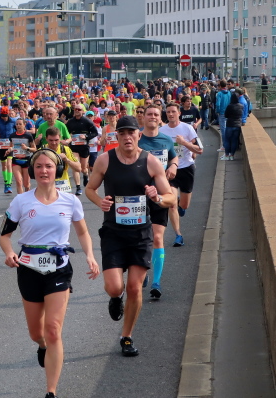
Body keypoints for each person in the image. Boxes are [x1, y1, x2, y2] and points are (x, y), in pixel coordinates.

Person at [0, 149, 100, 398]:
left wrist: (89, 255)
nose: (44, 170)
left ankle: (51, 391)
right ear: (33, 171)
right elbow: (5, 236)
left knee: (53, 329)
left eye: (49, 166)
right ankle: (41, 345)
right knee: (37, 333)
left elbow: (83, 232)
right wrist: (10, 253)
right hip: (29, 269)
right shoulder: (21, 201)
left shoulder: (70, 201)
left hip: (59, 268)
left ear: (57, 170)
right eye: (39, 166)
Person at [85, 115, 175, 356]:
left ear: (139, 135)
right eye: (122, 133)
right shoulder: (105, 160)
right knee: (115, 287)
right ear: (117, 136)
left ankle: (126, 336)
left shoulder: (151, 162)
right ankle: (116, 298)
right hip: (113, 232)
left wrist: (157, 197)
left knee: (135, 288)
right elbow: (90, 189)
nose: (126, 137)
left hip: (140, 233)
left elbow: (170, 198)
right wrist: (100, 202)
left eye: (131, 132)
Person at [138, 105, 179, 299]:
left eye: (156, 114)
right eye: (149, 114)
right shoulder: (137, 139)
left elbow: (173, 156)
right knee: (140, 239)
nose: (153, 117)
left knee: (157, 238)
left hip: (159, 195)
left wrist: (174, 165)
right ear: (143, 117)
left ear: (159, 117)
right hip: (138, 196)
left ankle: (156, 282)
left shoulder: (166, 140)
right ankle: (143, 269)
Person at [160, 103, 203, 246]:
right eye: (168, 112)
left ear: (179, 113)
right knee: (171, 204)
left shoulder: (188, 128)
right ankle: (178, 235)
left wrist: (184, 142)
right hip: (170, 170)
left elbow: (200, 150)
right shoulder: (162, 131)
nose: (171, 114)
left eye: (173, 111)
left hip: (186, 168)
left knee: (184, 205)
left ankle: (181, 205)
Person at [65, 104, 98, 195]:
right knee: (76, 167)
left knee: (83, 169)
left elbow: (95, 133)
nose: (77, 110)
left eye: (79, 109)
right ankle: (78, 187)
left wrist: (86, 136)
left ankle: (85, 175)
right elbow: (66, 132)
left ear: (82, 111)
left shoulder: (87, 121)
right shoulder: (70, 122)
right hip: (74, 147)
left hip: (84, 147)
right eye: (75, 109)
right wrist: (68, 137)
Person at [45, 128, 80, 194]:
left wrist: (66, 160)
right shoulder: (42, 151)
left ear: (60, 138)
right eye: (51, 140)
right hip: (47, 185)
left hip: (63, 185)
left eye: (56, 140)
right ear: (46, 139)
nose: (54, 143)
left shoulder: (65, 149)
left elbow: (78, 168)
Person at [9, 118, 36, 194]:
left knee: (26, 184)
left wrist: (27, 148)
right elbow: (11, 147)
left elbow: (34, 149)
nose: (18, 126)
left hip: (26, 161)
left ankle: (27, 197)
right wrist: (9, 149)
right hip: (16, 160)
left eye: (20, 124)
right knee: (18, 181)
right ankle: (20, 199)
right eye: (17, 124)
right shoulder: (12, 136)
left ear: (24, 125)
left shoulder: (28, 135)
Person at [222, 93, 244, 161]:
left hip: (230, 124)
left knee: (227, 140)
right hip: (237, 125)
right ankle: (232, 155)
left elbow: (226, 115)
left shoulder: (229, 106)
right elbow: (241, 115)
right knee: (234, 140)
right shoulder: (241, 106)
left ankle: (226, 155)